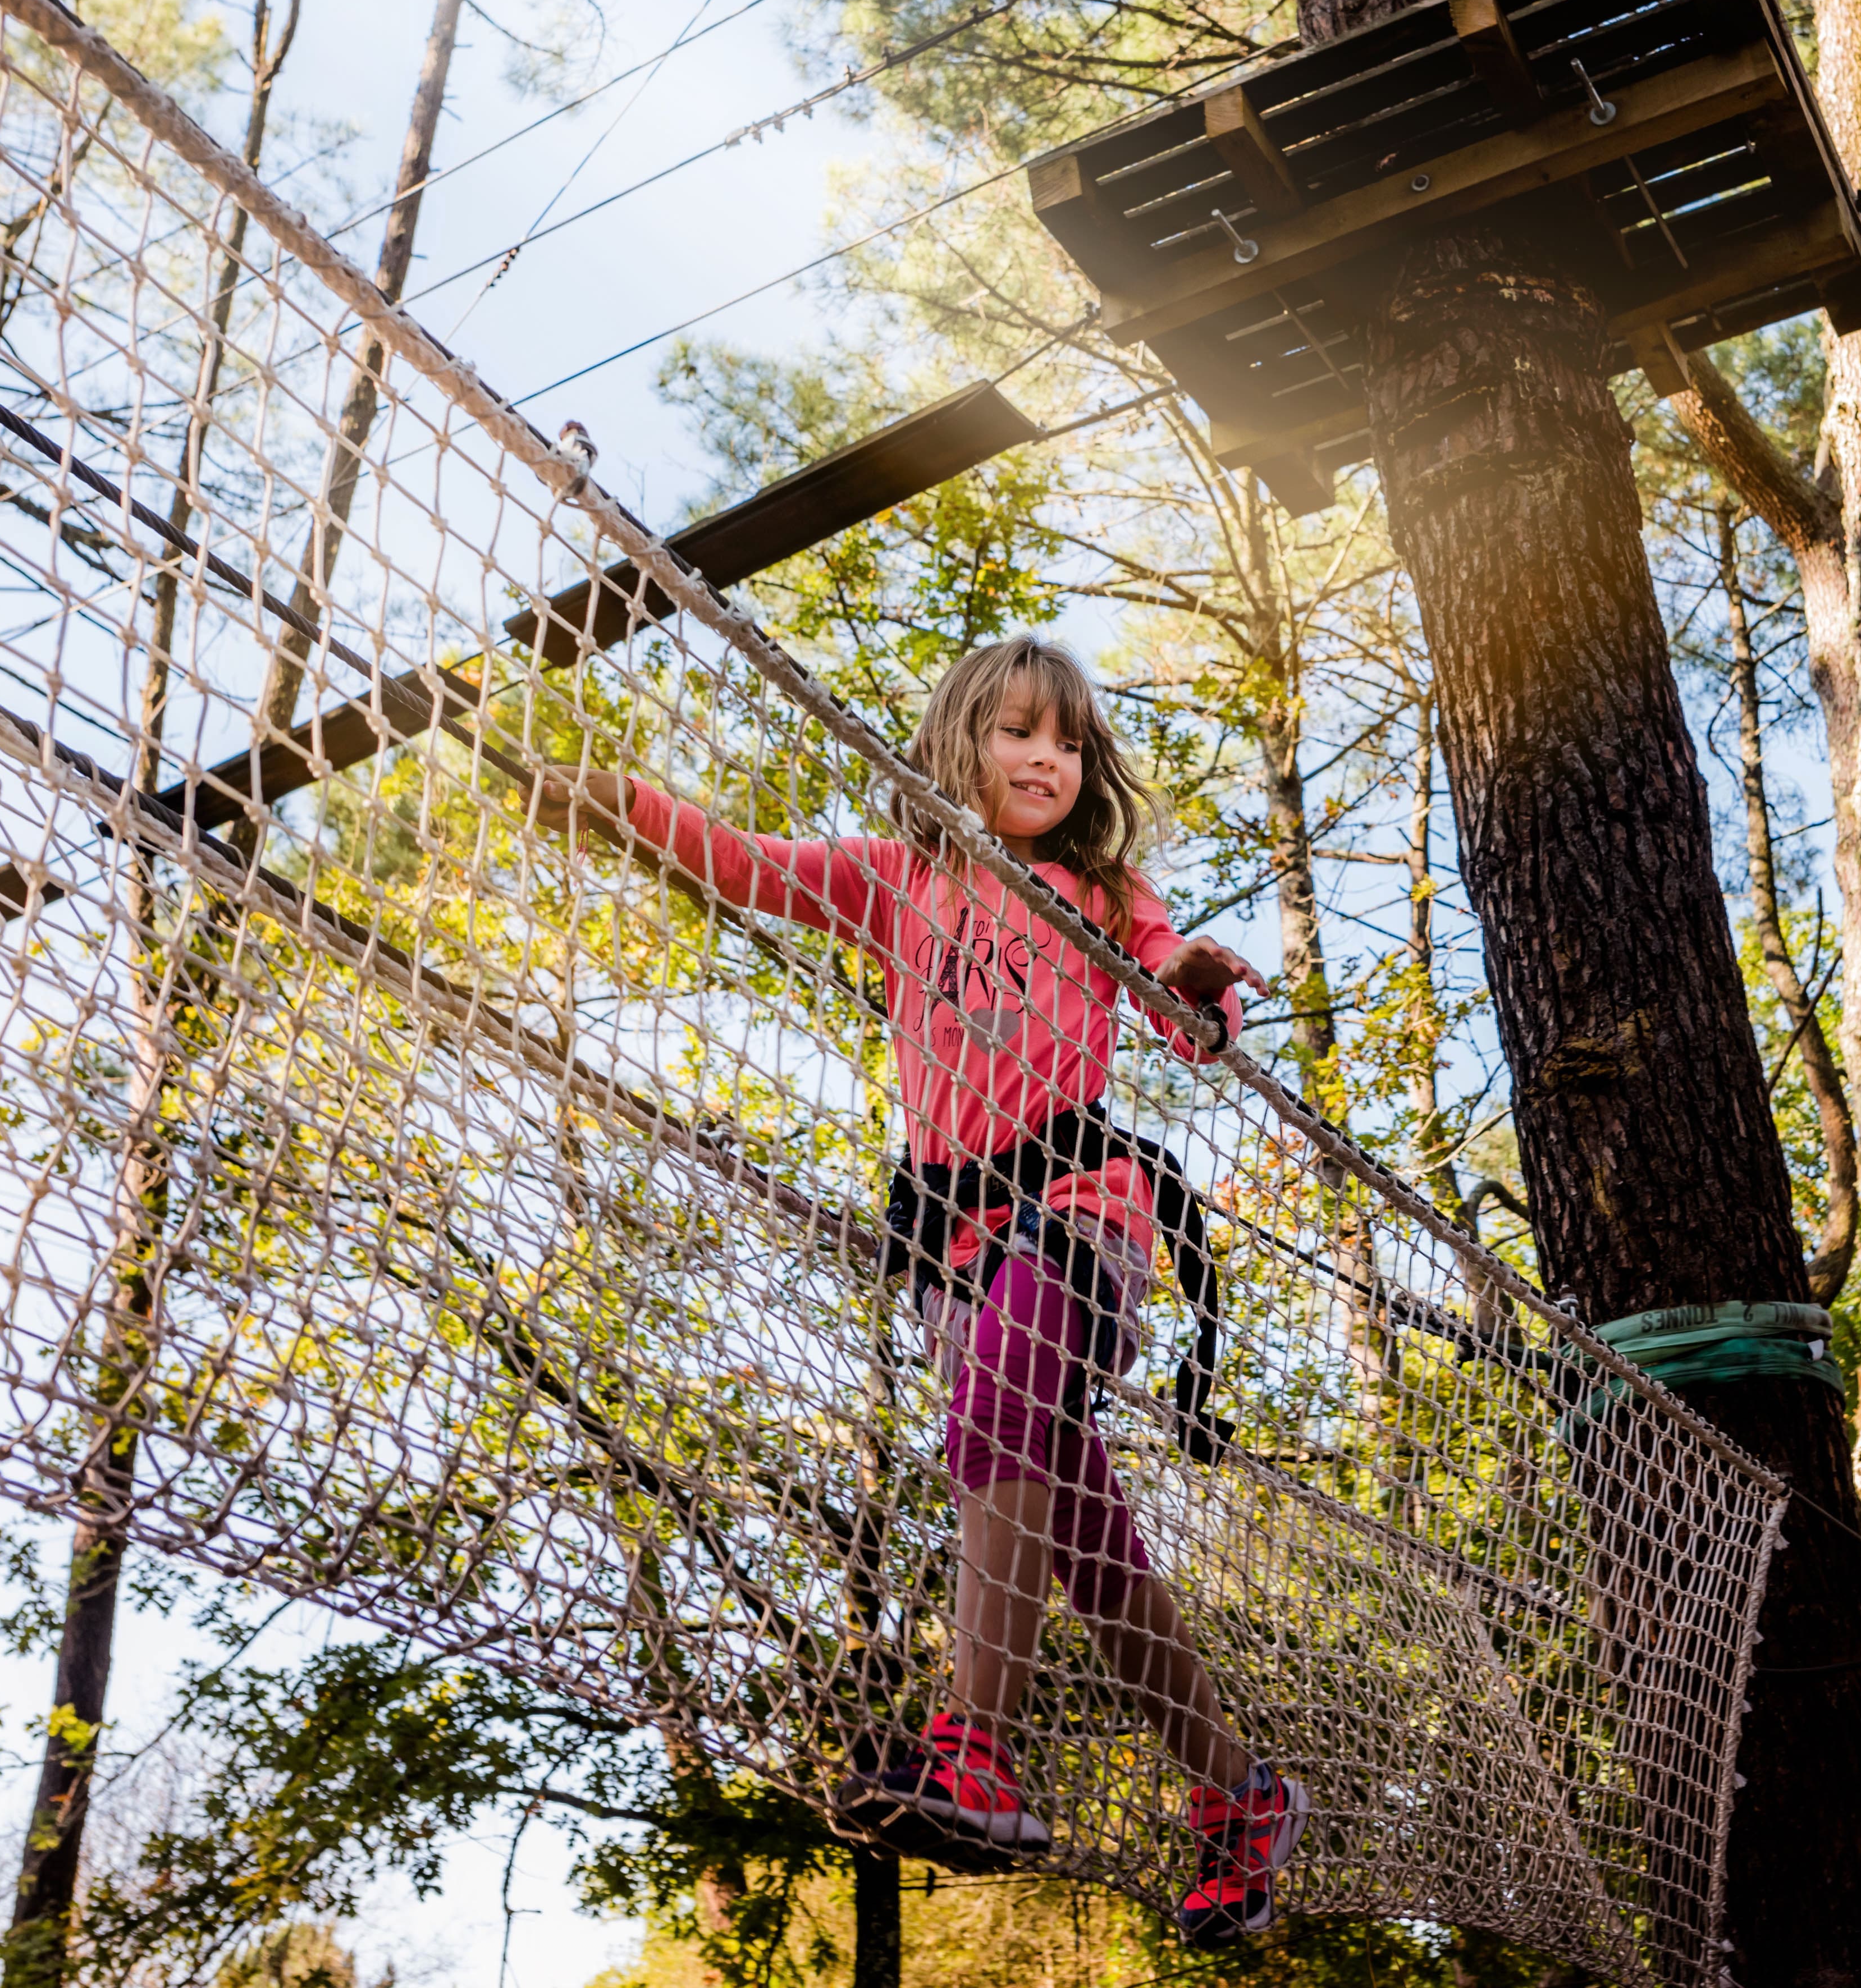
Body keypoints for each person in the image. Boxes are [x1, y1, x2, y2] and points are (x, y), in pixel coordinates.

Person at [540, 634, 1307, 1948]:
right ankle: (1238, 1795)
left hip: (1081, 1211)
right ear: (960, 741)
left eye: (1064, 741)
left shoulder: (1105, 893)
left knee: (997, 1411)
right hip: (957, 1246)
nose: (1044, 758)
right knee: (1086, 1552)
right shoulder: (895, 880)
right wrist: (620, 800)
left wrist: (1196, 988)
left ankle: (976, 1751)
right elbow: (747, 866)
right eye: (1016, 731)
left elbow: (1190, 1015)